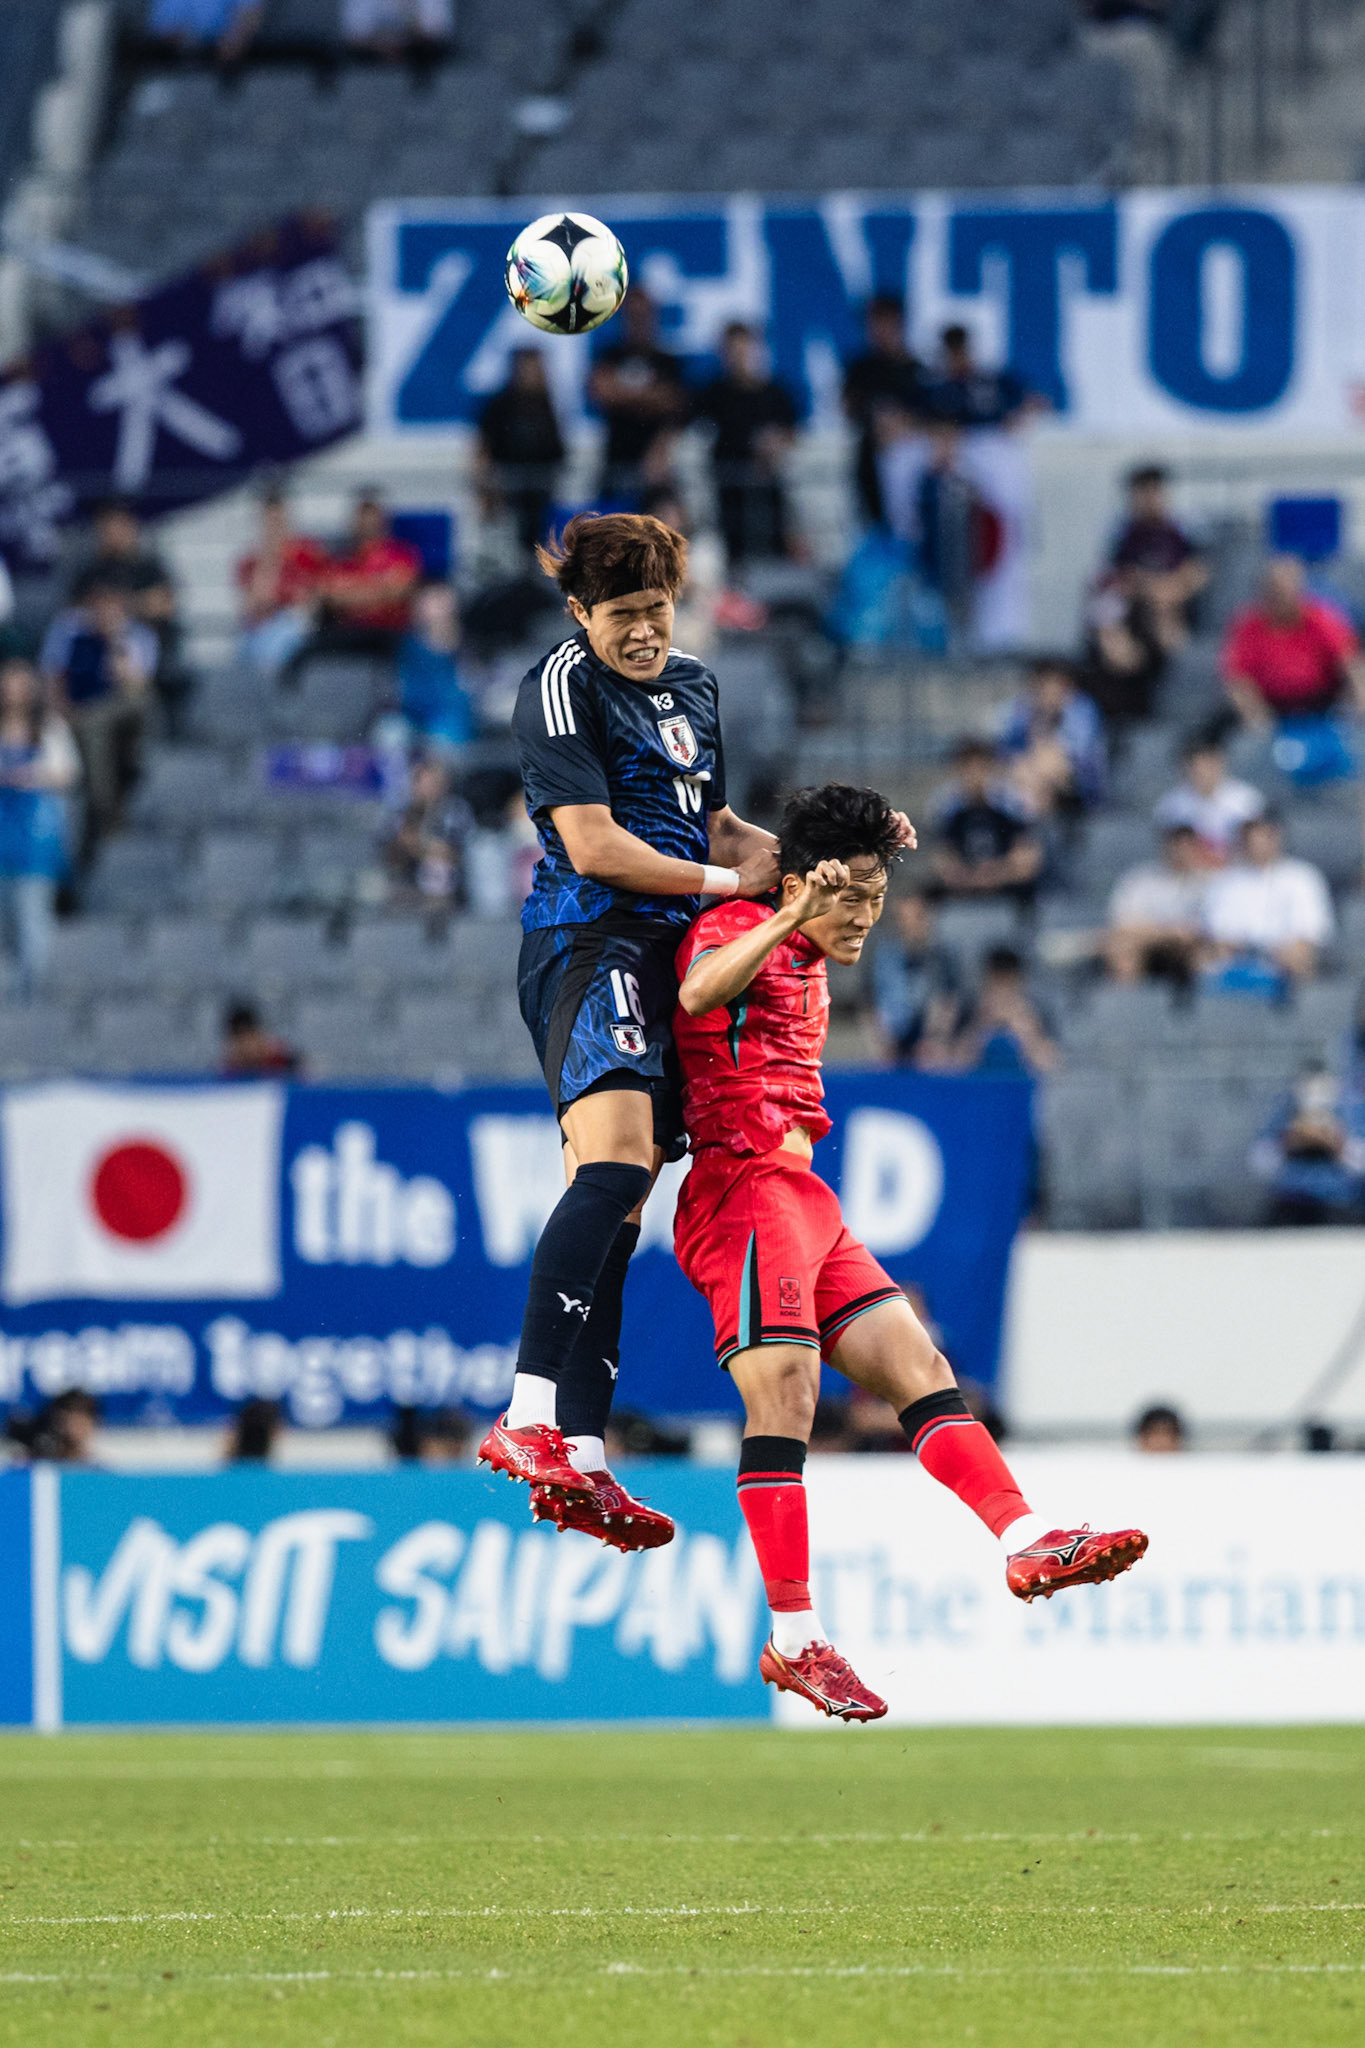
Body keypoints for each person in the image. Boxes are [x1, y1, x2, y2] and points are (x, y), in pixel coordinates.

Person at [671, 782, 1147, 1721]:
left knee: (919, 1365)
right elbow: (695, 991)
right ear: (804, 887)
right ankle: (794, 1636)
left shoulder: (808, 946)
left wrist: (864, 832)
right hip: (740, 1189)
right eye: (849, 899)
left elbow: (813, 851)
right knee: (788, 1398)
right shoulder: (734, 923)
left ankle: (1024, 1537)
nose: (863, 918)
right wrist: (794, 910)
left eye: (875, 900)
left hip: (803, 1198)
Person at [475, 511, 785, 1550]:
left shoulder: (694, 681)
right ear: (579, 611)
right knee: (609, 1170)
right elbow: (596, 845)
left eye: (657, 609)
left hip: (670, 960)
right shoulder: (558, 686)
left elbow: (721, 825)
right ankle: (524, 1420)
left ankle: (586, 1455)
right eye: (623, 616)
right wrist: (725, 880)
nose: (646, 632)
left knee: (625, 1203)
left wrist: (829, 849)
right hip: (589, 943)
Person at [1222, 556, 1365, 782]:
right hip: (1273, 708)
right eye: (1275, 590)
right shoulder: (1248, 624)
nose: (1282, 597)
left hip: (1323, 704)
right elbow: (1236, 679)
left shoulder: (1320, 617)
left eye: (1288, 590)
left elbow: (1351, 663)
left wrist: (1359, 702)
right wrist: (1256, 716)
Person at [40, 582, 156, 847]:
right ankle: (98, 816)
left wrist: (115, 640)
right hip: (81, 714)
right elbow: (56, 679)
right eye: (99, 607)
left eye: (112, 607)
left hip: (124, 712)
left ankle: (109, 814)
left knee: (96, 722)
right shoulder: (74, 637)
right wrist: (63, 712)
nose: (105, 613)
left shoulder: (138, 637)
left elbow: (136, 688)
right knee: (88, 728)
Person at [74, 498, 189, 735]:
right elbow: (75, 614)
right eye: (105, 525)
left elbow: (166, 604)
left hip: (150, 665)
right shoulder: (90, 571)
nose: (110, 532)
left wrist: (120, 607)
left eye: (116, 523)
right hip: (98, 664)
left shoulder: (150, 567)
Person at [0, 657, 80, 996]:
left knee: (33, 921)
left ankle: (33, 1000)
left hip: (33, 840)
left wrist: (30, 776)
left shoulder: (48, 728)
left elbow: (67, 774)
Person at [286, 493, 423, 685]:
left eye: (371, 519)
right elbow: (325, 593)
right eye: (362, 520)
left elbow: (398, 592)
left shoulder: (400, 554)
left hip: (388, 633)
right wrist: (375, 590)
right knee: (303, 651)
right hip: (348, 630)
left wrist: (351, 592)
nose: (367, 525)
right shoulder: (344, 559)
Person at [692, 323, 800, 565]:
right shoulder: (715, 393)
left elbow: (791, 432)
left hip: (769, 489)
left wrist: (774, 442)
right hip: (730, 493)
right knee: (735, 555)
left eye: (744, 349)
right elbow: (691, 429)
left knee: (773, 551)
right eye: (733, 350)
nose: (739, 357)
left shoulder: (775, 393)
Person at [1202, 813, 1334, 990]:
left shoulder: (1302, 877)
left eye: (1261, 836)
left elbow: (1311, 933)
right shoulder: (1225, 881)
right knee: (1199, 958)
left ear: (1276, 837)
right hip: (1235, 958)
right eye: (1249, 837)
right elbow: (1216, 931)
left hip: (1284, 959)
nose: (1255, 843)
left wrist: (1276, 952)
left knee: (1299, 957)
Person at [587, 290, 688, 501]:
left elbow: (673, 401)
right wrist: (650, 396)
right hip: (615, 457)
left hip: (657, 462)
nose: (638, 322)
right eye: (632, 316)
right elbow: (600, 392)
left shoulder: (667, 360)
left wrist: (622, 394)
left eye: (643, 316)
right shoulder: (609, 355)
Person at [842, 295, 925, 527]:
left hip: (907, 463)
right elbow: (848, 409)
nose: (879, 331)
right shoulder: (860, 368)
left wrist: (902, 423)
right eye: (874, 324)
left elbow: (929, 418)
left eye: (885, 323)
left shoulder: (915, 369)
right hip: (869, 460)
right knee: (871, 524)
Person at [1250, 1058, 1365, 1226]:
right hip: (1292, 1202)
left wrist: (1335, 1143)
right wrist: (1289, 1142)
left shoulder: (1347, 1112)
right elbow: (1260, 1163)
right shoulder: (1285, 1113)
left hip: (1338, 1204)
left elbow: (1360, 1164)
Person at [929, 738, 1044, 905]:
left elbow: (1028, 861)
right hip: (965, 882)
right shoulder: (947, 807)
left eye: (980, 768)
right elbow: (942, 860)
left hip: (1007, 883)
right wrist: (968, 876)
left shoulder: (1012, 804)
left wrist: (995, 873)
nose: (975, 776)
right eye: (968, 768)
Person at [1108, 465, 1208, 652]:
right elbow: (1119, 576)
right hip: (1139, 607)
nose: (1149, 499)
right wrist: (1153, 589)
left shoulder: (1181, 530)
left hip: (1178, 602)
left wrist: (1173, 589)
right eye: (1143, 493)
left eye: (1154, 491)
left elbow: (1199, 572)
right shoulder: (1125, 534)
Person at [476, 349, 565, 558]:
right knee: (507, 539)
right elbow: (483, 447)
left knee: (540, 535)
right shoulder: (499, 405)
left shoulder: (547, 406)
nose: (535, 374)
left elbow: (557, 451)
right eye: (529, 368)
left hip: (541, 489)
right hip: (506, 487)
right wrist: (484, 484)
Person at [236, 488, 329, 681]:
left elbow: (311, 601)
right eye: (270, 521)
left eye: (279, 520)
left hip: (296, 627)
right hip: (262, 628)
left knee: (285, 632)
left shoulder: (307, 554)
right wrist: (271, 558)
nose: (275, 527)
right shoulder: (252, 561)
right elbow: (253, 604)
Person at [998, 657, 1107, 819]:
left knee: (1049, 759)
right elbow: (1006, 748)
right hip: (1032, 775)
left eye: (1057, 686)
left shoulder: (1082, 708)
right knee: (1018, 770)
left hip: (1078, 783)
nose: (1050, 693)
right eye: (1045, 686)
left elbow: (1079, 754)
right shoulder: (1022, 708)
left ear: (1068, 687)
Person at [934, 946, 1060, 1078]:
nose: (1002, 994)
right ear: (986, 982)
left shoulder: (1036, 1013)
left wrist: (1024, 1030)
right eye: (997, 985)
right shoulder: (969, 1013)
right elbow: (949, 1065)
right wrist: (979, 1027)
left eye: (1007, 985)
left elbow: (1051, 1065)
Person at [1106, 823, 1209, 984]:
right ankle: (1126, 1005)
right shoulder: (1140, 879)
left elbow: (1205, 928)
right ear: (1166, 847)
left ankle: (1202, 1005)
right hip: (1147, 944)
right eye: (1177, 846)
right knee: (1120, 948)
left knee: (1203, 955)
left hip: (1188, 947)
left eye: (1188, 847)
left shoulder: (1208, 883)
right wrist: (1167, 932)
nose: (1182, 853)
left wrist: (1181, 934)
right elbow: (1123, 924)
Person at [870, 890, 963, 1064]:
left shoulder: (944, 956)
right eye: (903, 920)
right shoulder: (883, 956)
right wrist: (882, 1041)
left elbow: (950, 1002)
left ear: (927, 918)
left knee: (937, 1057)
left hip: (932, 1035)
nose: (910, 926)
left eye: (916, 918)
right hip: (893, 1034)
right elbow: (871, 1003)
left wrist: (936, 1038)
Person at [390, 583, 476, 754]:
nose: (438, 608)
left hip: (450, 719)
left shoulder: (468, 646)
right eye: (430, 601)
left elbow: (471, 684)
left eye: (442, 601)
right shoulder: (406, 644)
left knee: (446, 742)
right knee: (391, 733)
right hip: (409, 714)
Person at [1153, 734, 1265, 864]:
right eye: (1195, 766)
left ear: (1219, 763)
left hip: (1238, 870)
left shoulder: (1247, 799)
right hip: (1194, 874)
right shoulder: (1171, 805)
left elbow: (1258, 846)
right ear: (1185, 768)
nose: (1202, 772)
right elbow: (1170, 852)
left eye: (1207, 765)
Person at [382, 753, 472, 906]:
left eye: (434, 783)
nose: (428, 788)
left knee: (437, 867)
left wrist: (417, 845)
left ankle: (438, 911)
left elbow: (449, 851)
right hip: (407, 876)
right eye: (423, 782)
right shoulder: (402, 811)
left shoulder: (455, 809)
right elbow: (393, 848)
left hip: (451, 879)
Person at [923, 324, 1032, 430]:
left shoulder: (990, 379)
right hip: (955, 441)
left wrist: (1014, 413)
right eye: (953, 353)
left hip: (992, 436)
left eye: (961, 351)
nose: (958, 358)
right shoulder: (936, 385)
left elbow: (1023, 397)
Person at [220, 1000, 302, 1077]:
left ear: (258, 1035)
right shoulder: (229, 1069)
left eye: (248, 1038)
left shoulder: (283, 1062)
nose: (245, 1047)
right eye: (239, 1041)